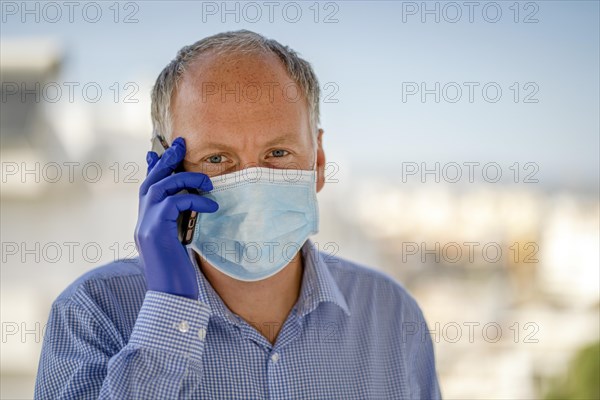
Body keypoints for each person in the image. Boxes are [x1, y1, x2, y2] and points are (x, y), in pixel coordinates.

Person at [35, 30, 442, 399]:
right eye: (217, 158)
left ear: (317, 160)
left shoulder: (392, 314)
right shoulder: (90, 314)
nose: (252, 181)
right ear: (167, 169)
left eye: (278, 153)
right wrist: (169, 308)